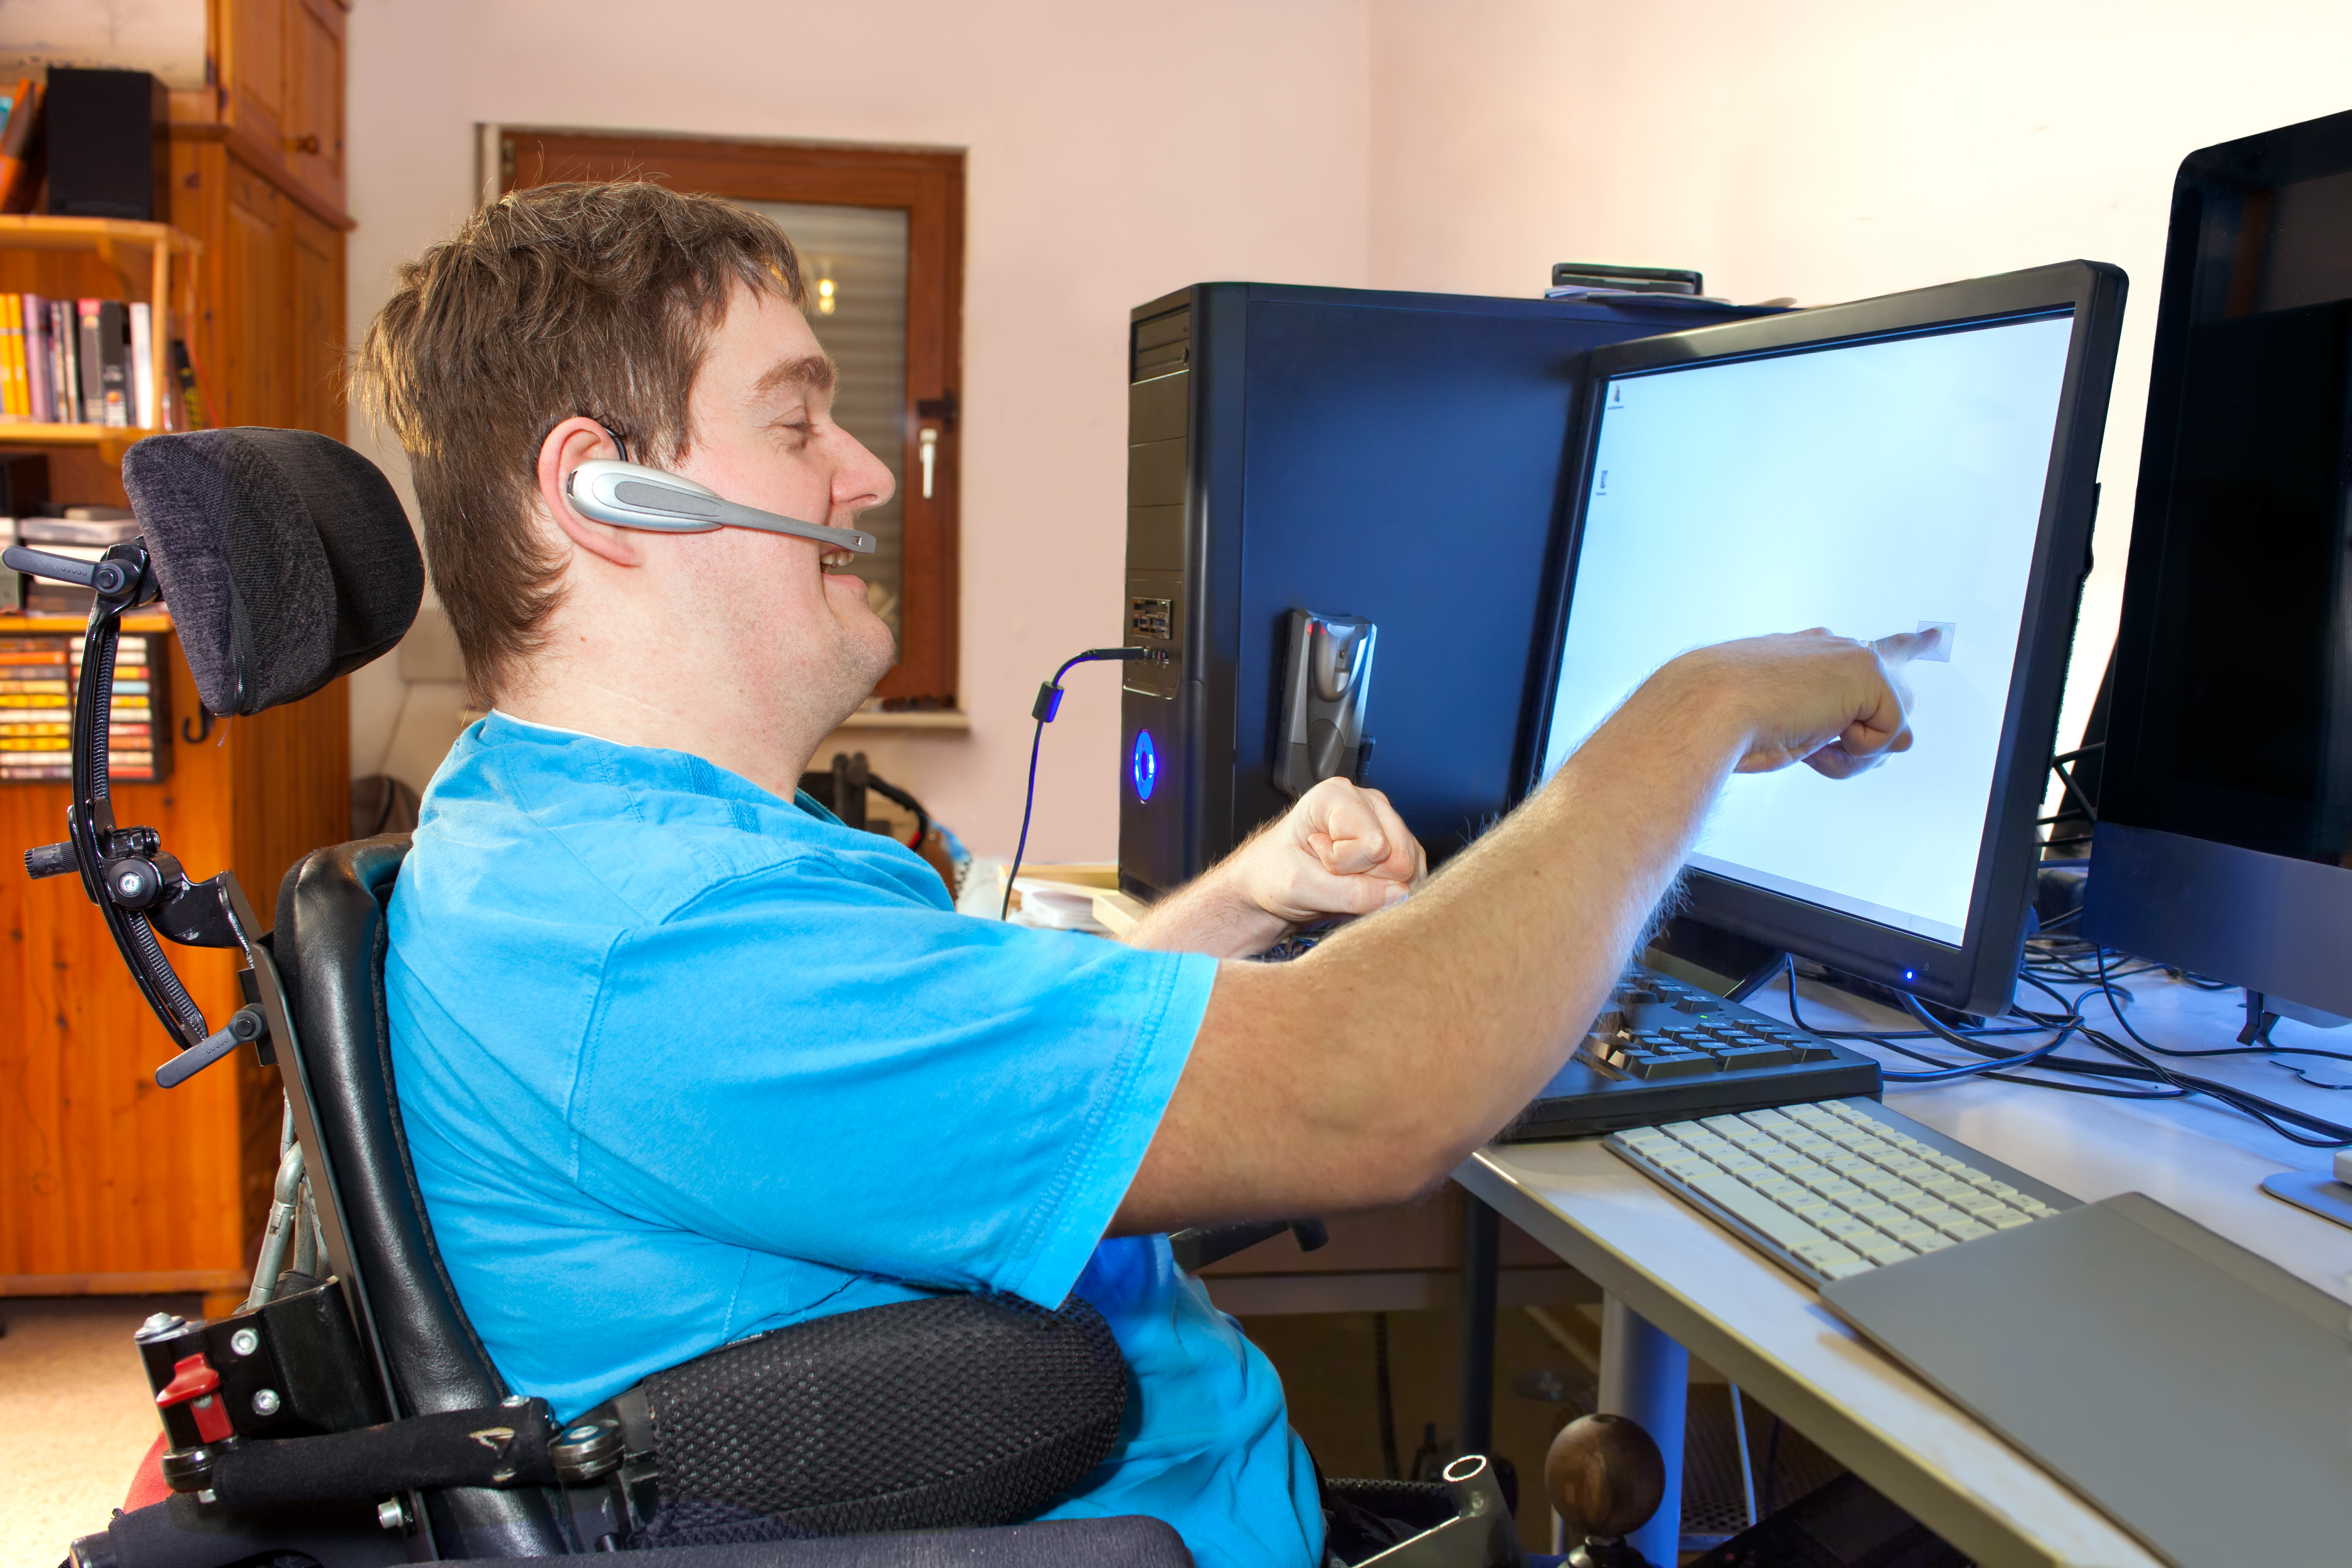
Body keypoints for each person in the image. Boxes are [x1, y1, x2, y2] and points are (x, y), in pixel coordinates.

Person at [357, 181, 1927, 1568]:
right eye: (795, 422)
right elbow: (1377, 1089)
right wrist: (1699, 708)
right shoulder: (670, 943)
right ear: (602, 494)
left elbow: (962, 1100)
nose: (866, 474)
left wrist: (1246, 895)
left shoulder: (561, 840)